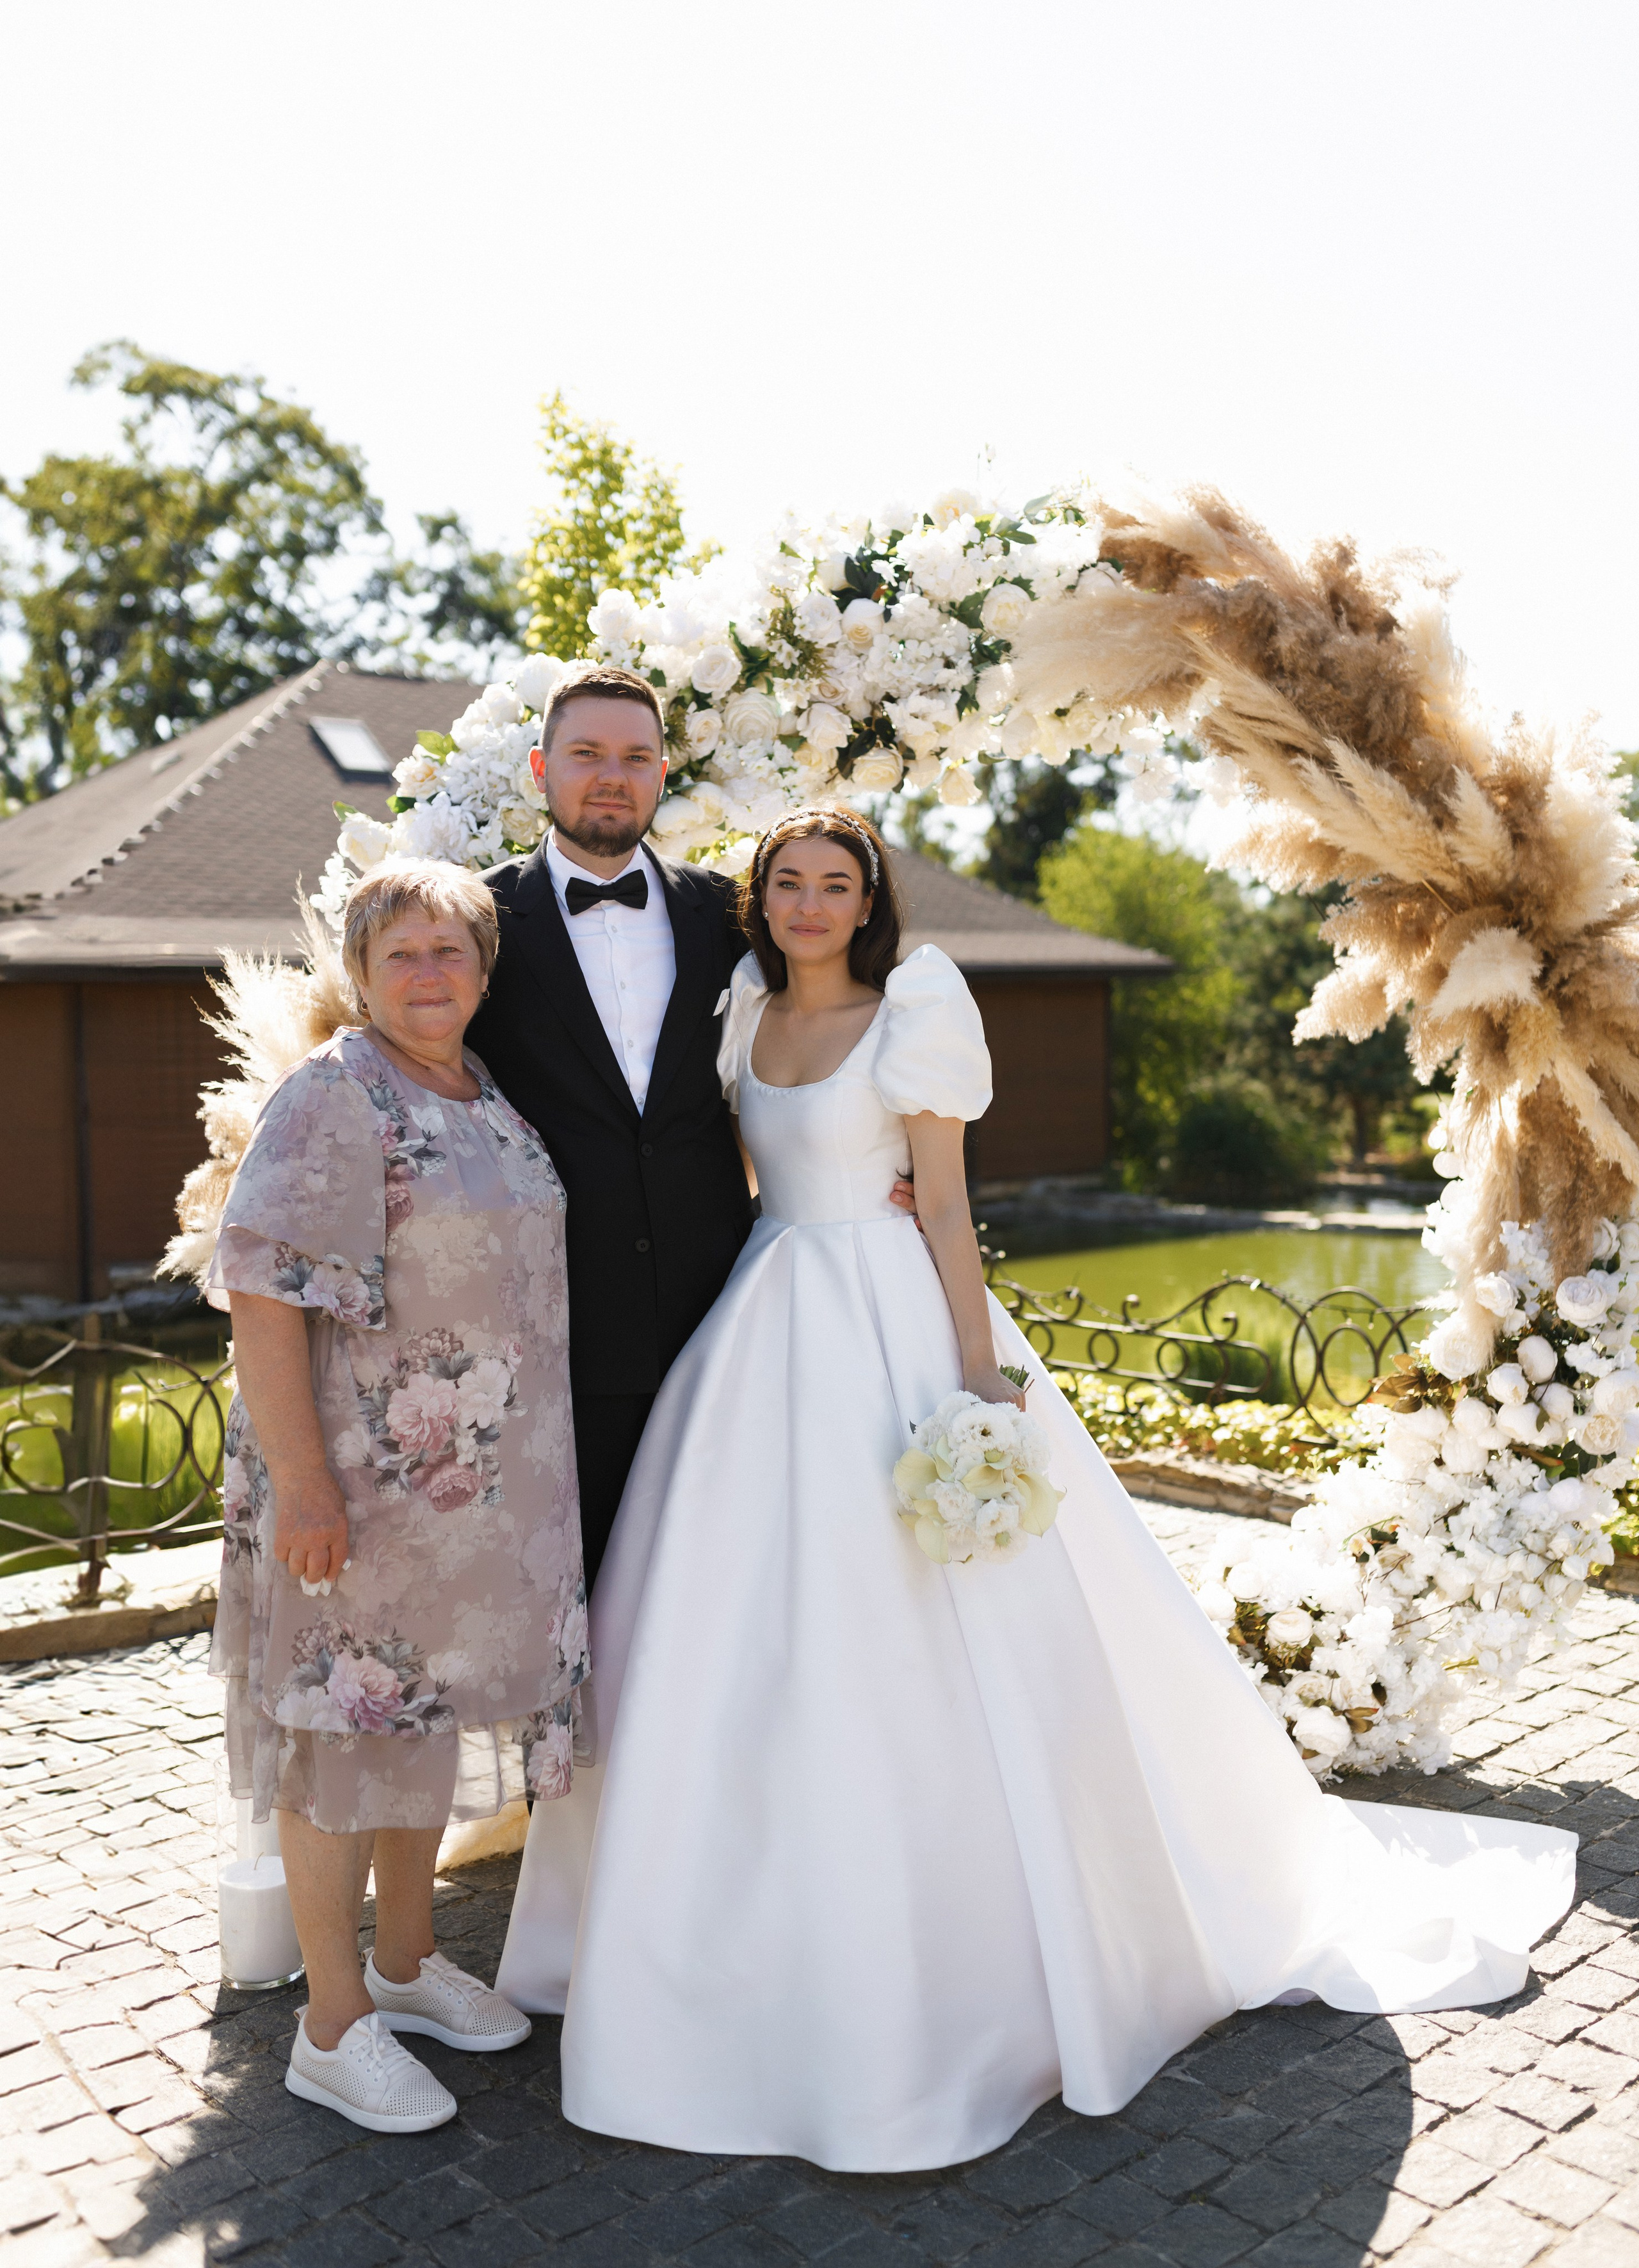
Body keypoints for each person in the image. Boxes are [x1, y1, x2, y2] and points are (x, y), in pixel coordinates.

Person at [496, 806, 1577, 2173]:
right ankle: (705, 1940)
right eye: (787, 881)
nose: (810, 901)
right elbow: (750, 1181)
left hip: (893, 1323)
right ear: (757, 899)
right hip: (761, 1323)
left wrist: (969, 1385)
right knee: (724, 1622)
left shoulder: (917, 1007)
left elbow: (940, 1206)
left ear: (867, 903)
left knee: (940, 1623)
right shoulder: (738, 1015)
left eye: (836, 883)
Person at [209, 860, 585, 2136]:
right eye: (401, 953)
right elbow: (260, 1289)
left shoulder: (486, 1094)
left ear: (484, 971)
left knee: (417, 1713)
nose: (430, 973)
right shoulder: (334, 1096)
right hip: (357, 1489)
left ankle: (408, 1960)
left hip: (471, 1498)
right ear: (361, 974)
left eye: (451, 951)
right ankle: (331, 2022)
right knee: (340, 1731)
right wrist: (306, 1483)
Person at [466, 666, 913, 1585]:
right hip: (558, 1313)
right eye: (586, 754)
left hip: (729, 1311)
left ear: (663, 774)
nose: (611, 775)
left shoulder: (731, 913)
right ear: (543, 768)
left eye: (635, 757)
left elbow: (851, 1028)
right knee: (582, 1582)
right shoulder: (476, 921)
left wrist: (915, 1167)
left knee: (734, 1577)